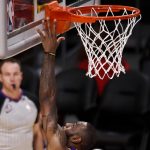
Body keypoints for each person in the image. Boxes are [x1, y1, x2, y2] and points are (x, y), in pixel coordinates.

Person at [37, 18, 97, 150]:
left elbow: (47, 99)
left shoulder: (58, 144)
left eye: (74, 125)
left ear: (76, 139)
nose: (68, 123)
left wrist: (49, 53)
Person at [0, 58, 43, 150]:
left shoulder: (33, 101)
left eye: (15, 74)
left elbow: (37, 133)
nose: (12, 79)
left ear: (21, 76)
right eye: (7, 74)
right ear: (1, 77)